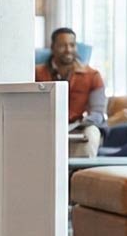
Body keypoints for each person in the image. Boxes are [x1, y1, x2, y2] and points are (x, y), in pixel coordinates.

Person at [37, 27, 106, 156]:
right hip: (43, 128)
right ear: (52, 47)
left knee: (92, 132)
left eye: (72, 45)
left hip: (76, 129)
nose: (68, 50)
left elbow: (98, 113)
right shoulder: (36, 73)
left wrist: (81, 123)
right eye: (62, 45)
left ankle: (79, 174)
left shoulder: (93, 75)